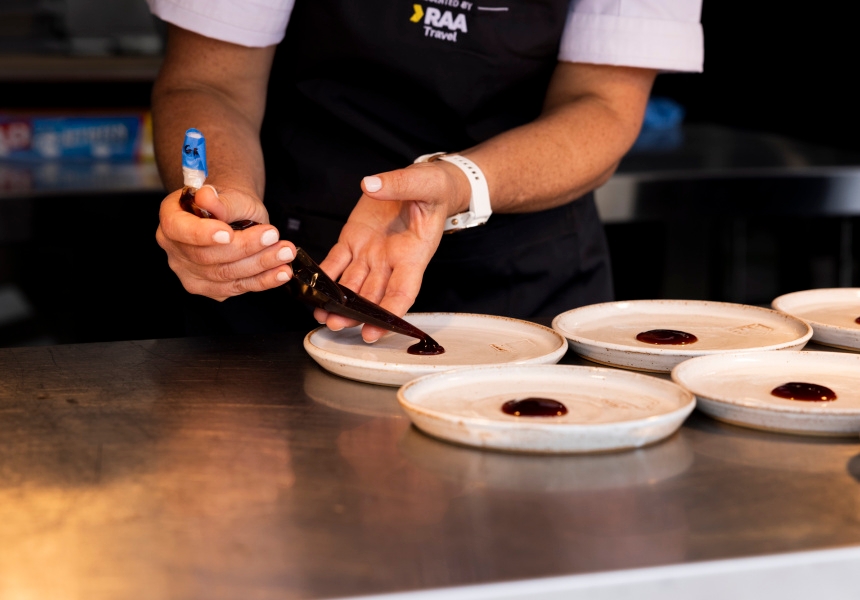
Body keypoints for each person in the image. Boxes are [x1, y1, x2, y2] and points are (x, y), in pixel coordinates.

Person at [146, 0, 703, 341]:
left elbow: (603, 106)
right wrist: (226, 207)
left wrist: (458, 180)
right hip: (286, 275)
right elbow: (209, 83)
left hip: (523, 278)